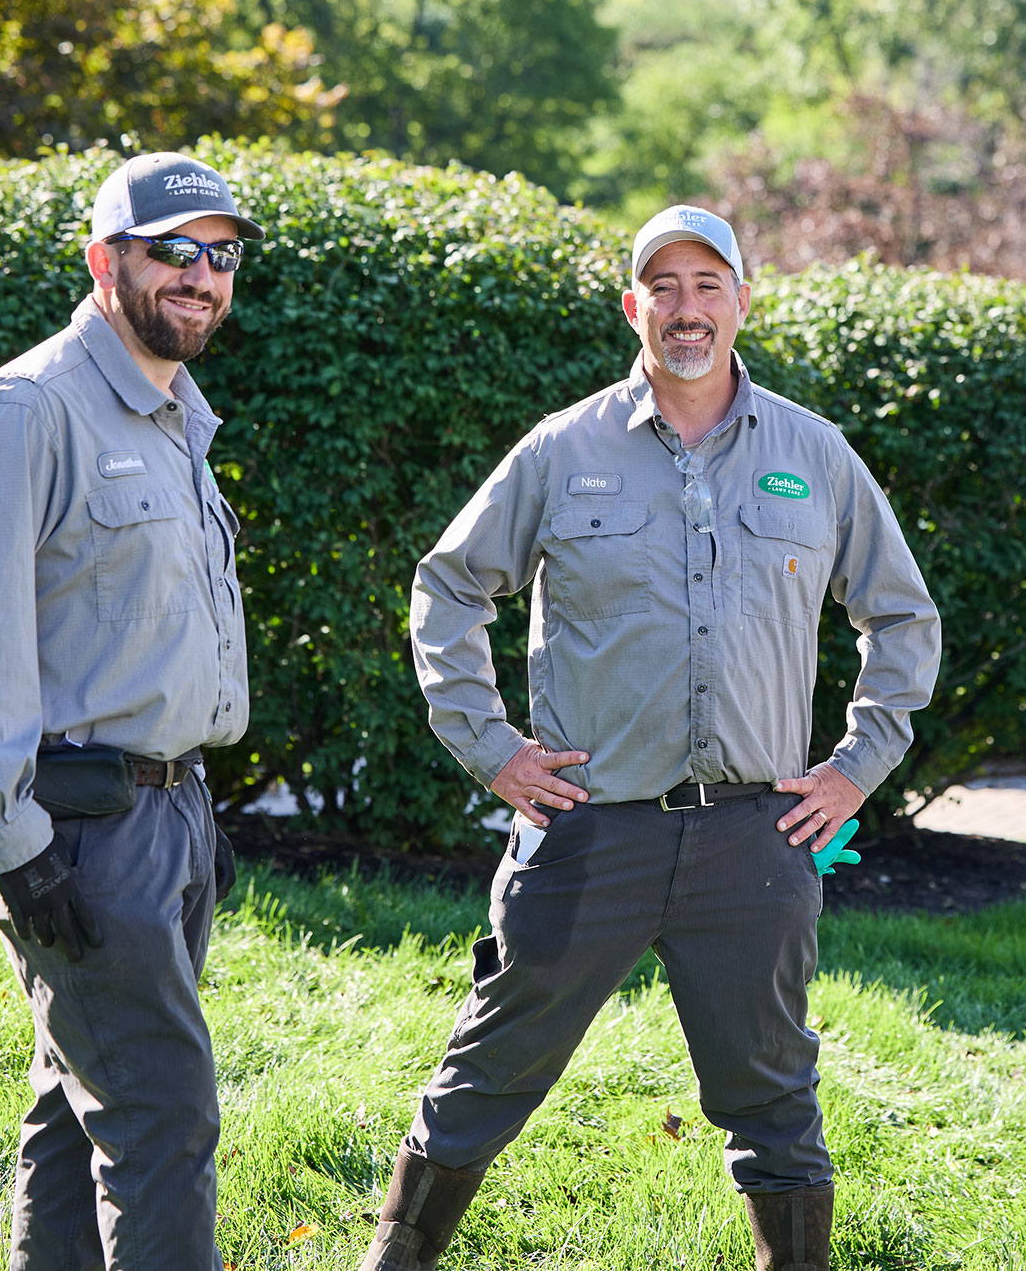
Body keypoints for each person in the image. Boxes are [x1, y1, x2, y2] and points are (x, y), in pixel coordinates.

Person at [363, 206, 943, 1271]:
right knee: (488, 1069)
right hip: (590, 833)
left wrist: (857, 768)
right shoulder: (561, 451)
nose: (686, 308)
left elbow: (901, 617)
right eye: (662, 286)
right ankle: (396, 1258)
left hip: (753, 844)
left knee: (774, 1092)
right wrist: (490, 746)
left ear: (743, 303)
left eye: (707, 284)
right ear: (633, 306)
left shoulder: (815, 455)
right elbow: (449, 586)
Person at [0, 151, 258, 1271]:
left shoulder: (169, 415)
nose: (200, 276)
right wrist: (14, 845)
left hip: (166, 821)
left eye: (221, 255)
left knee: (79, 1105)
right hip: (78, 830)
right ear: (107, 261)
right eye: (173, 252)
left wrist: (189, 817)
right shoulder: (29, 410)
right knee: (161, 1113)